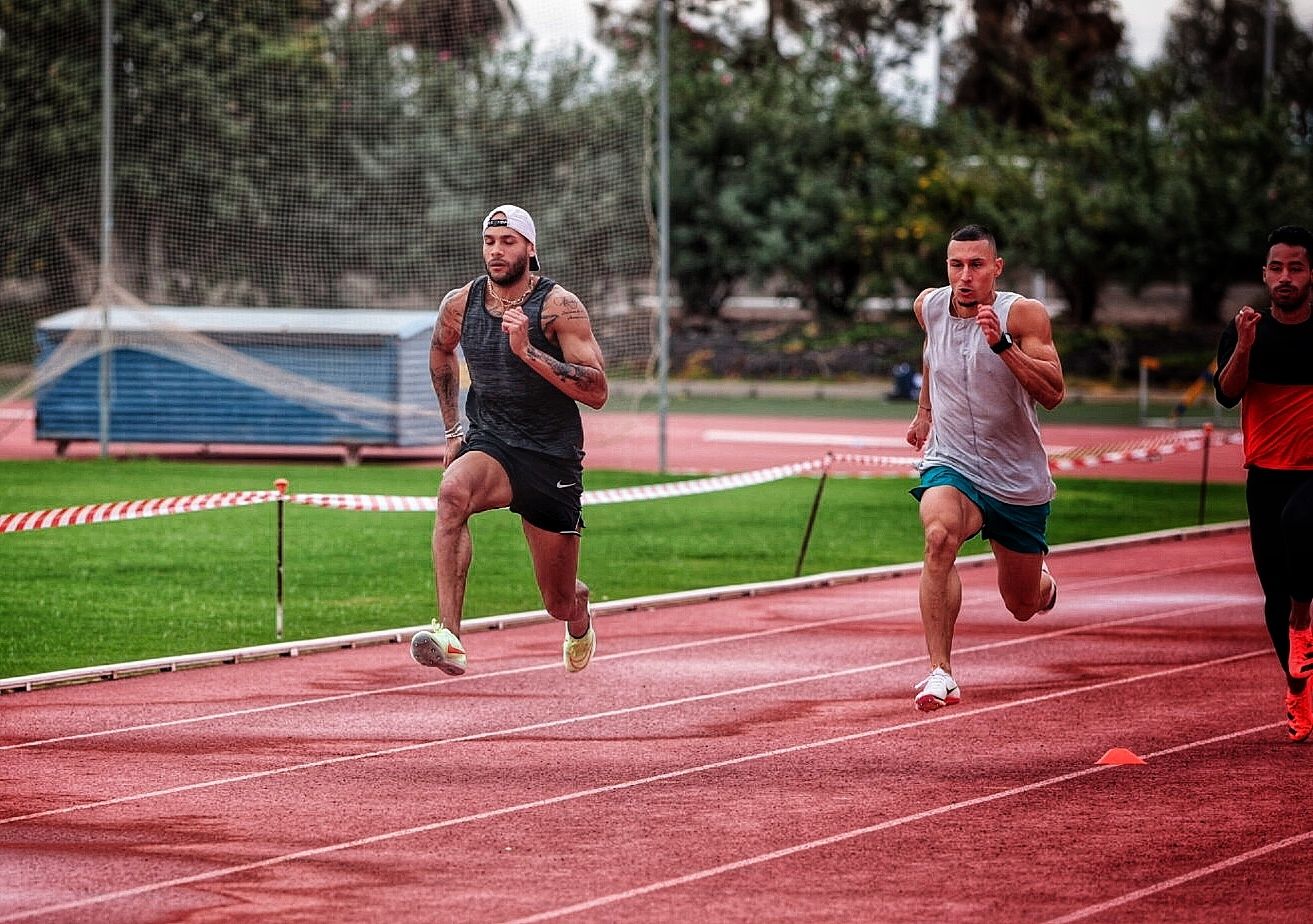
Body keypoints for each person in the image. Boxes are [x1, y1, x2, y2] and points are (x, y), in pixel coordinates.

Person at [410, 204, 608, 676]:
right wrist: (453, 430)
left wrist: (528, 351)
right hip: (493, 443)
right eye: (490, 242)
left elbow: (598, 391)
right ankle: (449, 636)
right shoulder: (461, 303)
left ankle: (579, 616)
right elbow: (440, 350)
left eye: (508, 242)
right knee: (452, 493)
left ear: (530, 249)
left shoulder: (560, 307)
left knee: (557, 600)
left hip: (551, 459)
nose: (496, 252)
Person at [904, 224, 1066, 712]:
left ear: (996, 268)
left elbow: (1054, 393)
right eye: (957, 265)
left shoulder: (1024, 314)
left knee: (1021, 605)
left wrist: (1003, 345)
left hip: (1016, 479)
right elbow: (934, 352)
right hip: (952, 461)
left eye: (976, 265)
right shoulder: (928, 306)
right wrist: (924, 411)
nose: (965, 275)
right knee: (939, 537)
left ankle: (1044, 585)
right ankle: (940, 671)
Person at [1214, 224, 1313, 743]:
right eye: (1277, 268)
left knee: (1302, 523)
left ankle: (1303, 616)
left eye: (1295, 267)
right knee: (1273, 592)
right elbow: (1228, 394)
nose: (1285, 277)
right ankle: (1299, 691)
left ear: (1311, 273)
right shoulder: (1244, 330)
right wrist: (1247, 346)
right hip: (1266, 475)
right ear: (1264, 274)